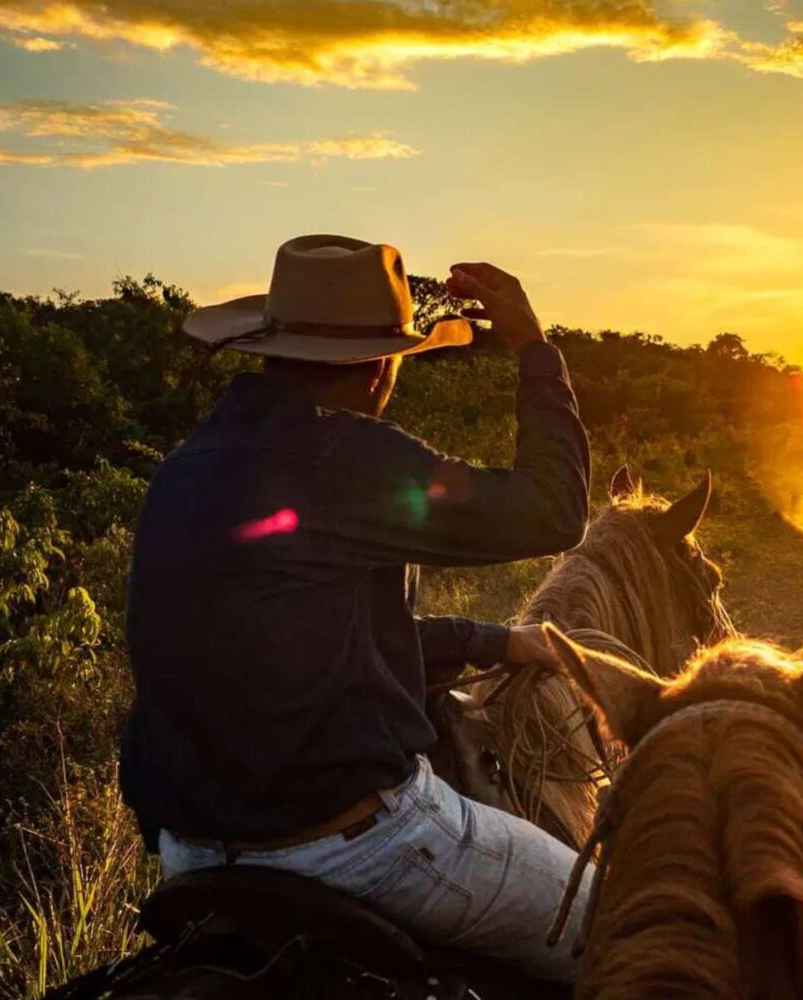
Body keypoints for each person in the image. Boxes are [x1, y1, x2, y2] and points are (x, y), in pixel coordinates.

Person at [118, 234, 592, 983]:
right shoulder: (349, 457)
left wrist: (498, 642)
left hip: (190, 848)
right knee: (623, 922)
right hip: (352, 844)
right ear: (381, 367)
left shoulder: (186, 466)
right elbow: (554, 512)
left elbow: (315, 641)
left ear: (270, 348)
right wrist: (534, 348)